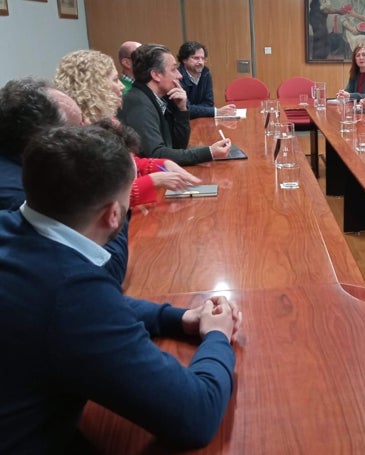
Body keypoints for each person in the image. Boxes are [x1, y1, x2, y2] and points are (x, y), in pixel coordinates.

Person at [0, 123, 241, 453]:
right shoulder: (72, 293)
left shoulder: (14, 231)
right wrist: (217, 336)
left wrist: (176, 317)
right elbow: (195, 415)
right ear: (114, 214)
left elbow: (86, 305)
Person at [0, 77, 128, 284]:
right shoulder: (21, 195)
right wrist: (116, 198)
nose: (87, 130)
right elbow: (101, 270)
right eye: (78, 127)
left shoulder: (20, 165)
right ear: (50, 141)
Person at [54, 49, 201, 207]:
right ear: (95, 86)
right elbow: (101, 199)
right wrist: (154, 180)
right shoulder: (78, 133)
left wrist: (161, 164)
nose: (122, 87)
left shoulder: (104, 120)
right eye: (115, 80)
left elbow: (126, 162)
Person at [118, 43, 232, 165]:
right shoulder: (138, 102)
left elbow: (178, 146)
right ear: (156, 75)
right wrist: (209, 152)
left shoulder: (164, 98)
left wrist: (182, 109)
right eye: (173, 69)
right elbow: (157, 154)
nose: (180, 75)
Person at [177, 41, 237, 119]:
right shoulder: (177, 77)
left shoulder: (206, 73)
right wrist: (216, 112)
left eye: (203, 58)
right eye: (196, 58)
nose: (201, 62)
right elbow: (185, 108)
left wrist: (195, 110)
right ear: (184, 60)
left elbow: (209, 103)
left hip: (201, 119)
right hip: (183, 122)